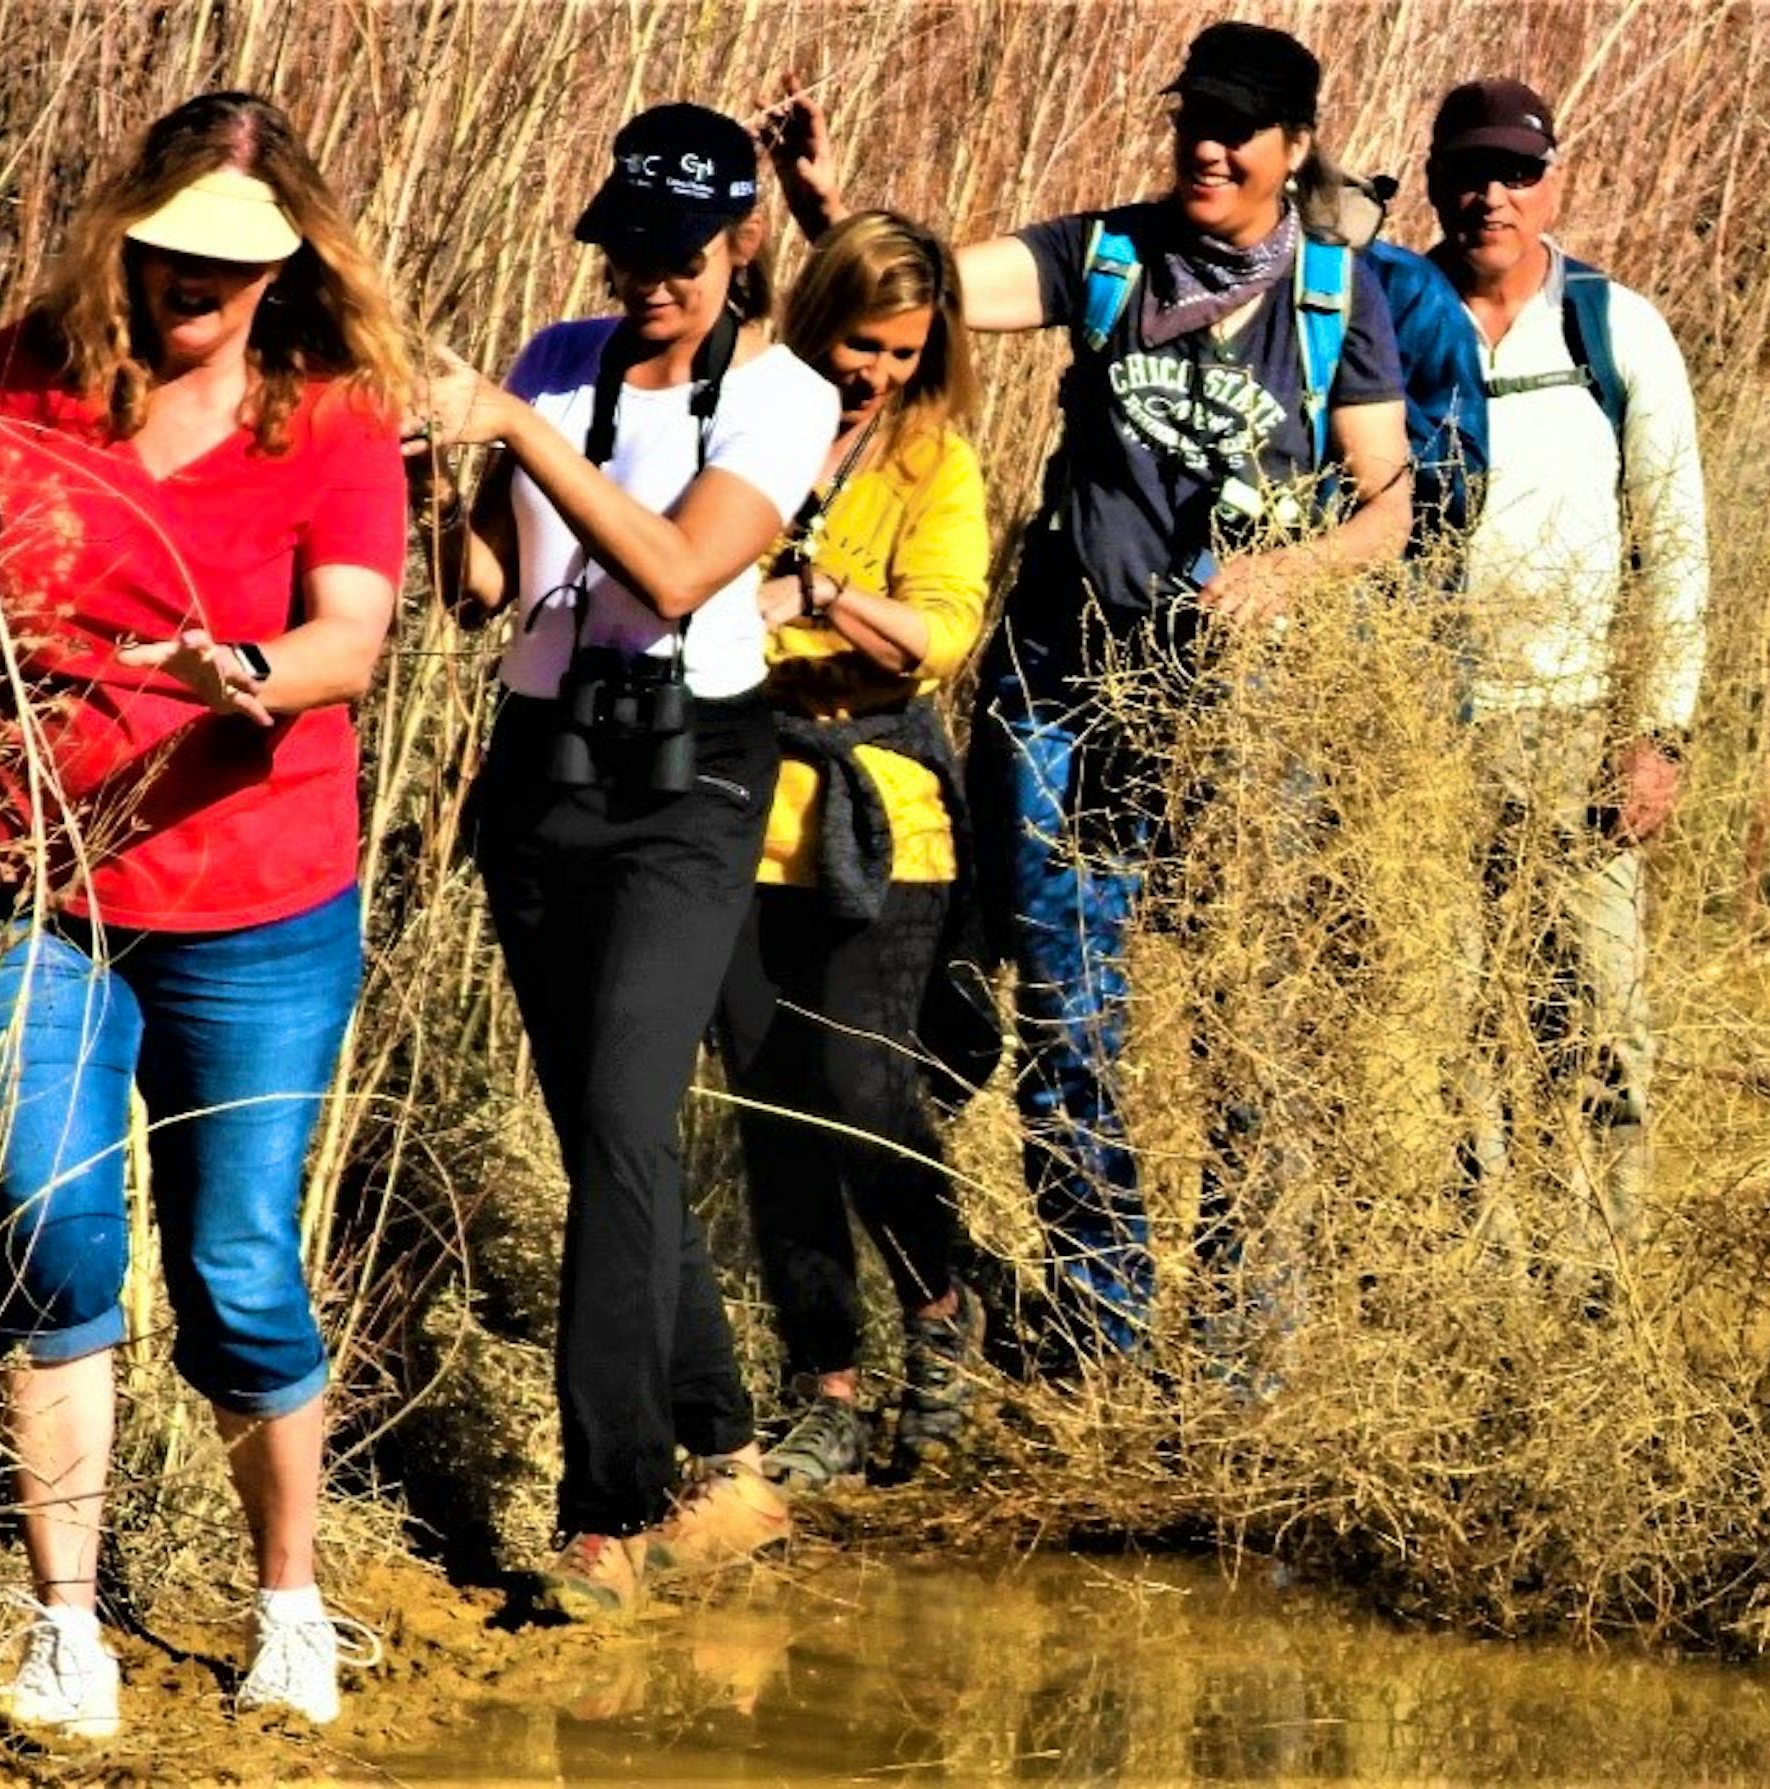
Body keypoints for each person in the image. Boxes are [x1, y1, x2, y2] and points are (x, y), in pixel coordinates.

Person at [0, 93, 408, 1738]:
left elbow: (348, 639)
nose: (190, 287)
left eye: (228, 267)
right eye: (168, 251)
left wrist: (246, 675)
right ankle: (63, 1624)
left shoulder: (332, 419)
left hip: (257, 894)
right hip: (34, 882)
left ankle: (289, 1599)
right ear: (126, 232)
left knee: (233, 1261)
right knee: (55, 1227)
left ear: (287, 265)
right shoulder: (20, 375)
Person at [767, 22, 1411, 1361]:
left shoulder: (1341, 299)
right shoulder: (1105, 253)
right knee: (1072, 1010)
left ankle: (1237, 1347)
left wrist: (1287, 573)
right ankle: (1101, 1329)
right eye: (1194, 122)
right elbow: (936, 284)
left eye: (1240, 129)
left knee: (1243, 1024)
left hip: (1238, 721)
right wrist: (836, 207)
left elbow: (1387, 510)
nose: (1210, 148)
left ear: (1297, 151)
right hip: (1063, 699)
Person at [413, 103, 838, 1615]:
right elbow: (488, 589)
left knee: (616, 1114)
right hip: (546, 769)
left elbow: (669, 571)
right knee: (614, 1135)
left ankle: (610, 1505)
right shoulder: (550, 356)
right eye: (625, 250)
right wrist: (426, 490)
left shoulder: (788, 395)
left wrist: (519, 431)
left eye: (676, 253)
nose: (646, 280)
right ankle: (726, 1445)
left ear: (739, 243)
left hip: (689, 778)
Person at [710, 211, 989, 1490]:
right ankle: (822, 1385)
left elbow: (933, 636)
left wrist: (815, 595)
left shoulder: (934, 463)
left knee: (862, 1088)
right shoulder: (740, 427)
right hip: (737, 808)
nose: (869, 370)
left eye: (897, 350)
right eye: (854, 341)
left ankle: (941, 1312)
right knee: (772, 1112)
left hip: (884, 813)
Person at [1422, 80, 1708, 1296]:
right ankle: (1478, 1288)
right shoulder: (1389, 313)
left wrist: (1653, 731)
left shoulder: (1613, 327)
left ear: (1552, 182)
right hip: (1417, 739)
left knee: (1594, 1024)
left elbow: (1674, 537)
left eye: (1513, 172)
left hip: (1574, 728)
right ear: (1432, 180)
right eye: (1467, 171)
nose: (1489, 195)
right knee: (1443, 1033)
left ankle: (1592, 1292)